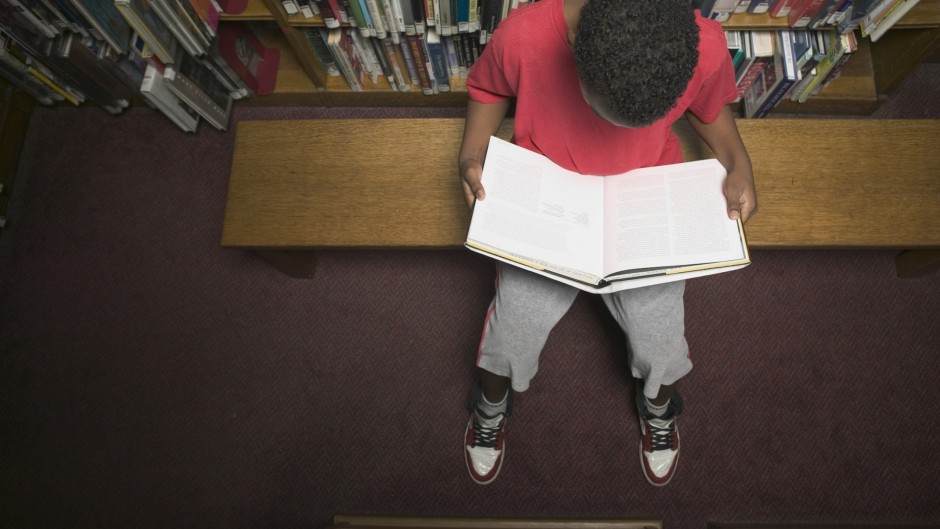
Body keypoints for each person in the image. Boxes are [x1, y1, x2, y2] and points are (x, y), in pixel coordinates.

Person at [458, 0, 757, 487]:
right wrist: (471, 153)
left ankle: (658, 400)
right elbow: (489, 87)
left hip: (643, 198)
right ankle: (491, 400)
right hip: (547, 193)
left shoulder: (703, 45)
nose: (619, 131)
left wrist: (737, 158)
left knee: (662, 341)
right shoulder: (525, 36)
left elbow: (707, 106)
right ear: (576, 54)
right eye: (610, 113)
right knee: (513, 331)